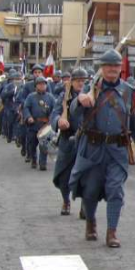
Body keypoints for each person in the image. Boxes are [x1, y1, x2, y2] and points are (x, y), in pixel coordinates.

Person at [69, 49, 135, 248]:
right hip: (93, 148)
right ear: (101, 68)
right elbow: (73, 111)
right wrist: (79, 100)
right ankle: (90, 222)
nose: (112, 69)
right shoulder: (90, 88)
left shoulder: (129, 91)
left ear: (120, 68)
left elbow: (134, 120)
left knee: (115, 190)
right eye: (108, 65)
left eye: (116, 66)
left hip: (117, 150)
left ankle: (112, 231)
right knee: (90, 190)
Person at [50, 68, 88, 215]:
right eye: (78, 80)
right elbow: (54, 114)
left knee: (86, 176)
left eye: (83, 81)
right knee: (63, 175)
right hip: (67, 139)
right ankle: (66, 201)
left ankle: (85, 205)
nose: (80, 83)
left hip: (86, 141)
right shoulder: (64, 97)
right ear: (72, 82)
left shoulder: (90, 96)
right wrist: (59, 121)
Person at [23, 77, 56, 170]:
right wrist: (28, 117)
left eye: (43, 84)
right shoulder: (30, 97)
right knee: (32, 144)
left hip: (45, 125)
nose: (42, 86)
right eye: (40, 84)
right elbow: (26, 107)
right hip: (33, 124)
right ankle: (33, 160)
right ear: (36, 86)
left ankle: (42, 163)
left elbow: (55, 109)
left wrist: (51, 118)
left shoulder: (50, 97)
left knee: (44, 145)